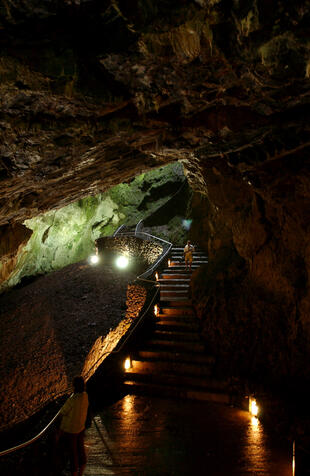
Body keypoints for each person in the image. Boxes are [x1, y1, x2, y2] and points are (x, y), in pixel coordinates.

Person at [58, 376, 89, 476]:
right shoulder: (85, 396)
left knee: (73, 452)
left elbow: (63, 411)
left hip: (70, 429)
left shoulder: (72, 399)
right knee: (80, 447)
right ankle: (82, 468)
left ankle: (74, 471)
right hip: (80, 427)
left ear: (74, 386)